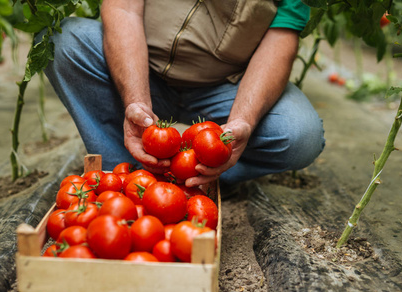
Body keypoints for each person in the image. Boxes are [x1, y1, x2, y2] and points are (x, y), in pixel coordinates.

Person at [42, 0, 325, 188]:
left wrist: (243, 120)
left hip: (226, 87)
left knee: (300, 135)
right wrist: (136, 101)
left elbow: (280, 39)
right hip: (142, 69)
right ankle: (124, 173)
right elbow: (123, 7)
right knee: (62, 41)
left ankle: (203, 175)